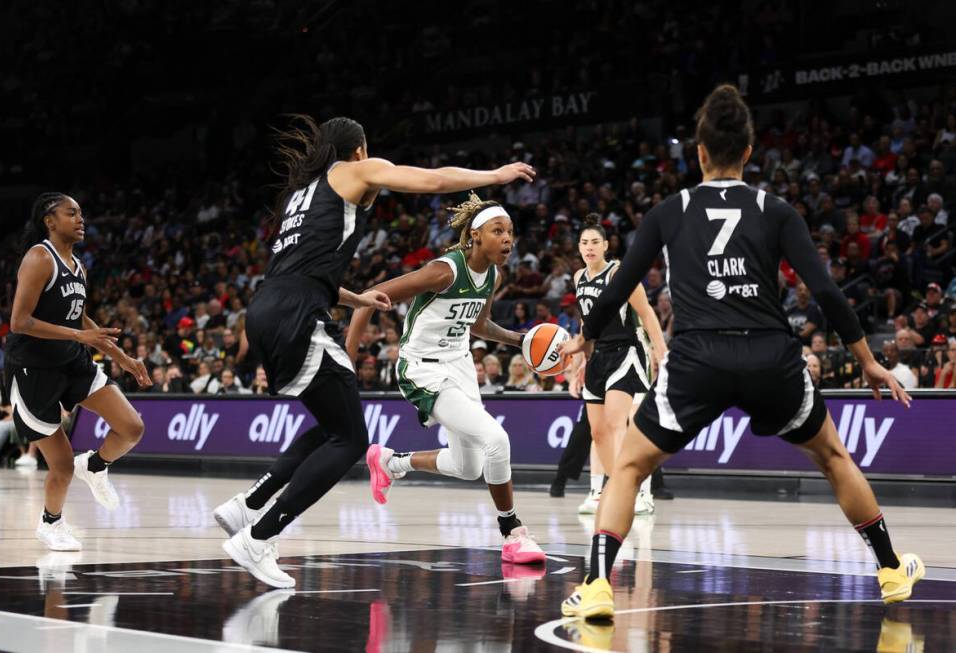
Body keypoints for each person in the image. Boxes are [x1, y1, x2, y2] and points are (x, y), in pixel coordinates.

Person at [560, 85, 921, 619]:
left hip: (697, 358)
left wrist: (583, 338)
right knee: (833, 457)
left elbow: (616, 291)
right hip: (770, 357)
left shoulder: (669, 210)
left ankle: (596, 586)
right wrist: (867, 359)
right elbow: (825, 291)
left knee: (629, 468)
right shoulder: (775, 210)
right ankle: (891, 570)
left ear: (699, 152)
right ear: (749, 152)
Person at [211, 115, 536, 589]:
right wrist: (496, 175)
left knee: (334, 427)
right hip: (302, 317)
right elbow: (432, 180)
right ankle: (258, 537)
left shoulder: (303, 197)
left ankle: (250, 505)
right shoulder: (352, 171)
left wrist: (355, 299)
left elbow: (302, 270)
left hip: (267, 309)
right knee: (349, 441)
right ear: (359, 149)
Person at [346, 193, 546, 565]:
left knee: (469, 467)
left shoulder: (493, 274)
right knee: (496, 440)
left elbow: (480, 324)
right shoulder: (445, 272)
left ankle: (391, 462)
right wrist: (349, 357)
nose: (507, 239)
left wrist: (522, 340)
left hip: (459, 363)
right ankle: (513, 532)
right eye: (497, 231)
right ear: (474, 235)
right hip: (422, 366)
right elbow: (371, 298)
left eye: (510, 232)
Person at [5, 193, 150, 551]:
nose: (80, 219)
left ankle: (97, 465)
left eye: (81, 213)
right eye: (72, 213)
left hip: (71, 361)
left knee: (132, 427)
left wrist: (125, 359)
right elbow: (19, 322)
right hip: (33, 369)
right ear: (49, 221)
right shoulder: (39, 258)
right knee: (62, 466)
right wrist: (78, 335)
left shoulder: (79, 266)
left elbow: (81, 320)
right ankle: (50, 523)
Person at [568, 215, 667, 516]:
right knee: (597, 433)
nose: (589, 247)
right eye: (584, 242)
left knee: (617, 423)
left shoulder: (619, 273)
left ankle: (638, 493)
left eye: (595, 242)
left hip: (628, 350)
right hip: (599, 355)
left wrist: (662, 354)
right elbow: (587, 325)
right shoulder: (578, 278)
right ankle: (608, 490)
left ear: (606, 245)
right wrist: (579, 365)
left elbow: (647, 314)